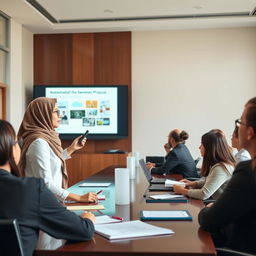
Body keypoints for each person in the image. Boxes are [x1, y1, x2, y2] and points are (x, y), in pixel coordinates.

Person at [0, 119, 95, 256]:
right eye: (17, 143)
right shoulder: (31, 191)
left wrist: (70, 149)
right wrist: (88, 220)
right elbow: (83, 231)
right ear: (11, 150)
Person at [198, 97, 256, 254]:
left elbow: (209, 221)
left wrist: (209, 208)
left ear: (250, 132)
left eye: (240, 123)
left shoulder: (248, 171)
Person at [18, 97, 98, 203]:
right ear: (42, 114)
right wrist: (79, 198)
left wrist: (71, 148)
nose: (60, 115)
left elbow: (51, 161)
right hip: (43, 206)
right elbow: (45, 184)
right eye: (56, 111)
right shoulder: (38, 142)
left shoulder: (46, 137)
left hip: (49, 202)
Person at [173, 129, 236, 200]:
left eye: (202, 144)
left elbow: (204, 194)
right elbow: (210, 181)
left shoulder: (221, 168)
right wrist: (193, 183)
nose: (199, 147)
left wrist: (182, 191)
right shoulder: (217, 165)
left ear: (209, 148)